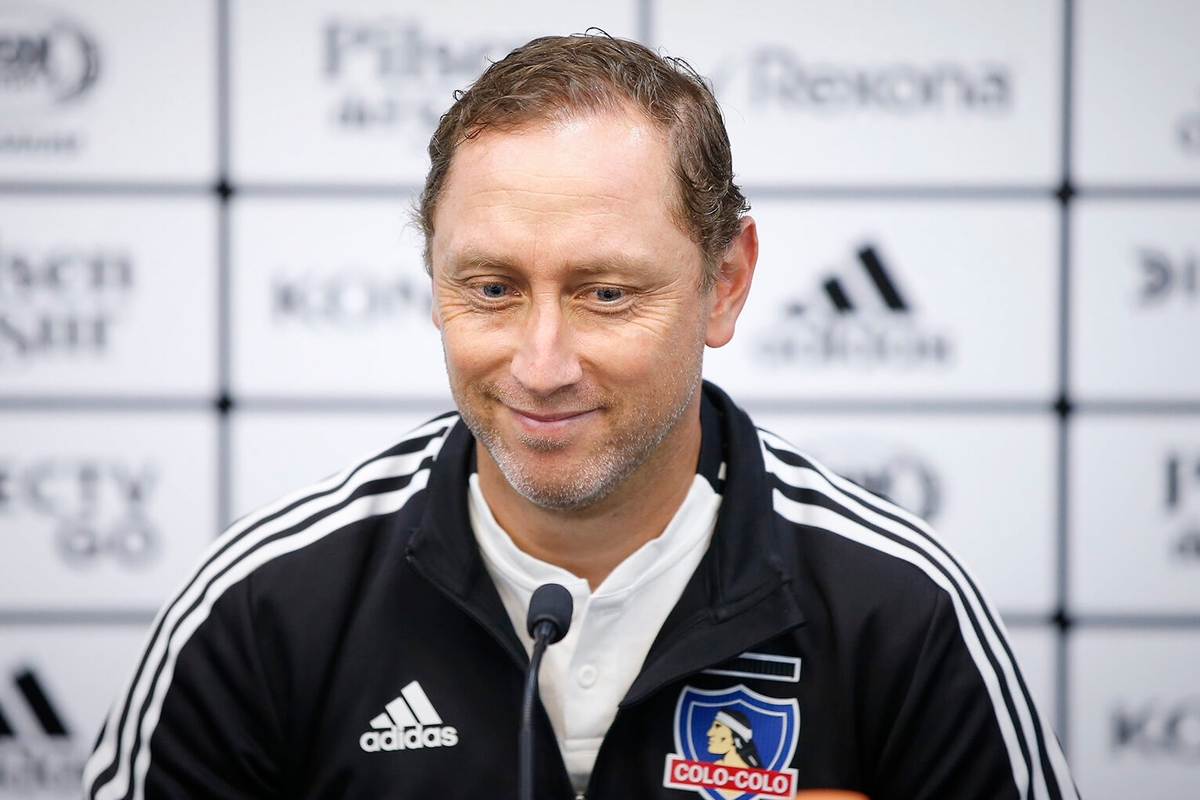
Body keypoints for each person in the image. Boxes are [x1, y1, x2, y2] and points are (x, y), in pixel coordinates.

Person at [84, 33, 1079, 800]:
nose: (541, 364)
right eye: (491, 288)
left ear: (724, 284)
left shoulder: (898, 610)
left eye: (606, 292)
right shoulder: (262, 609)